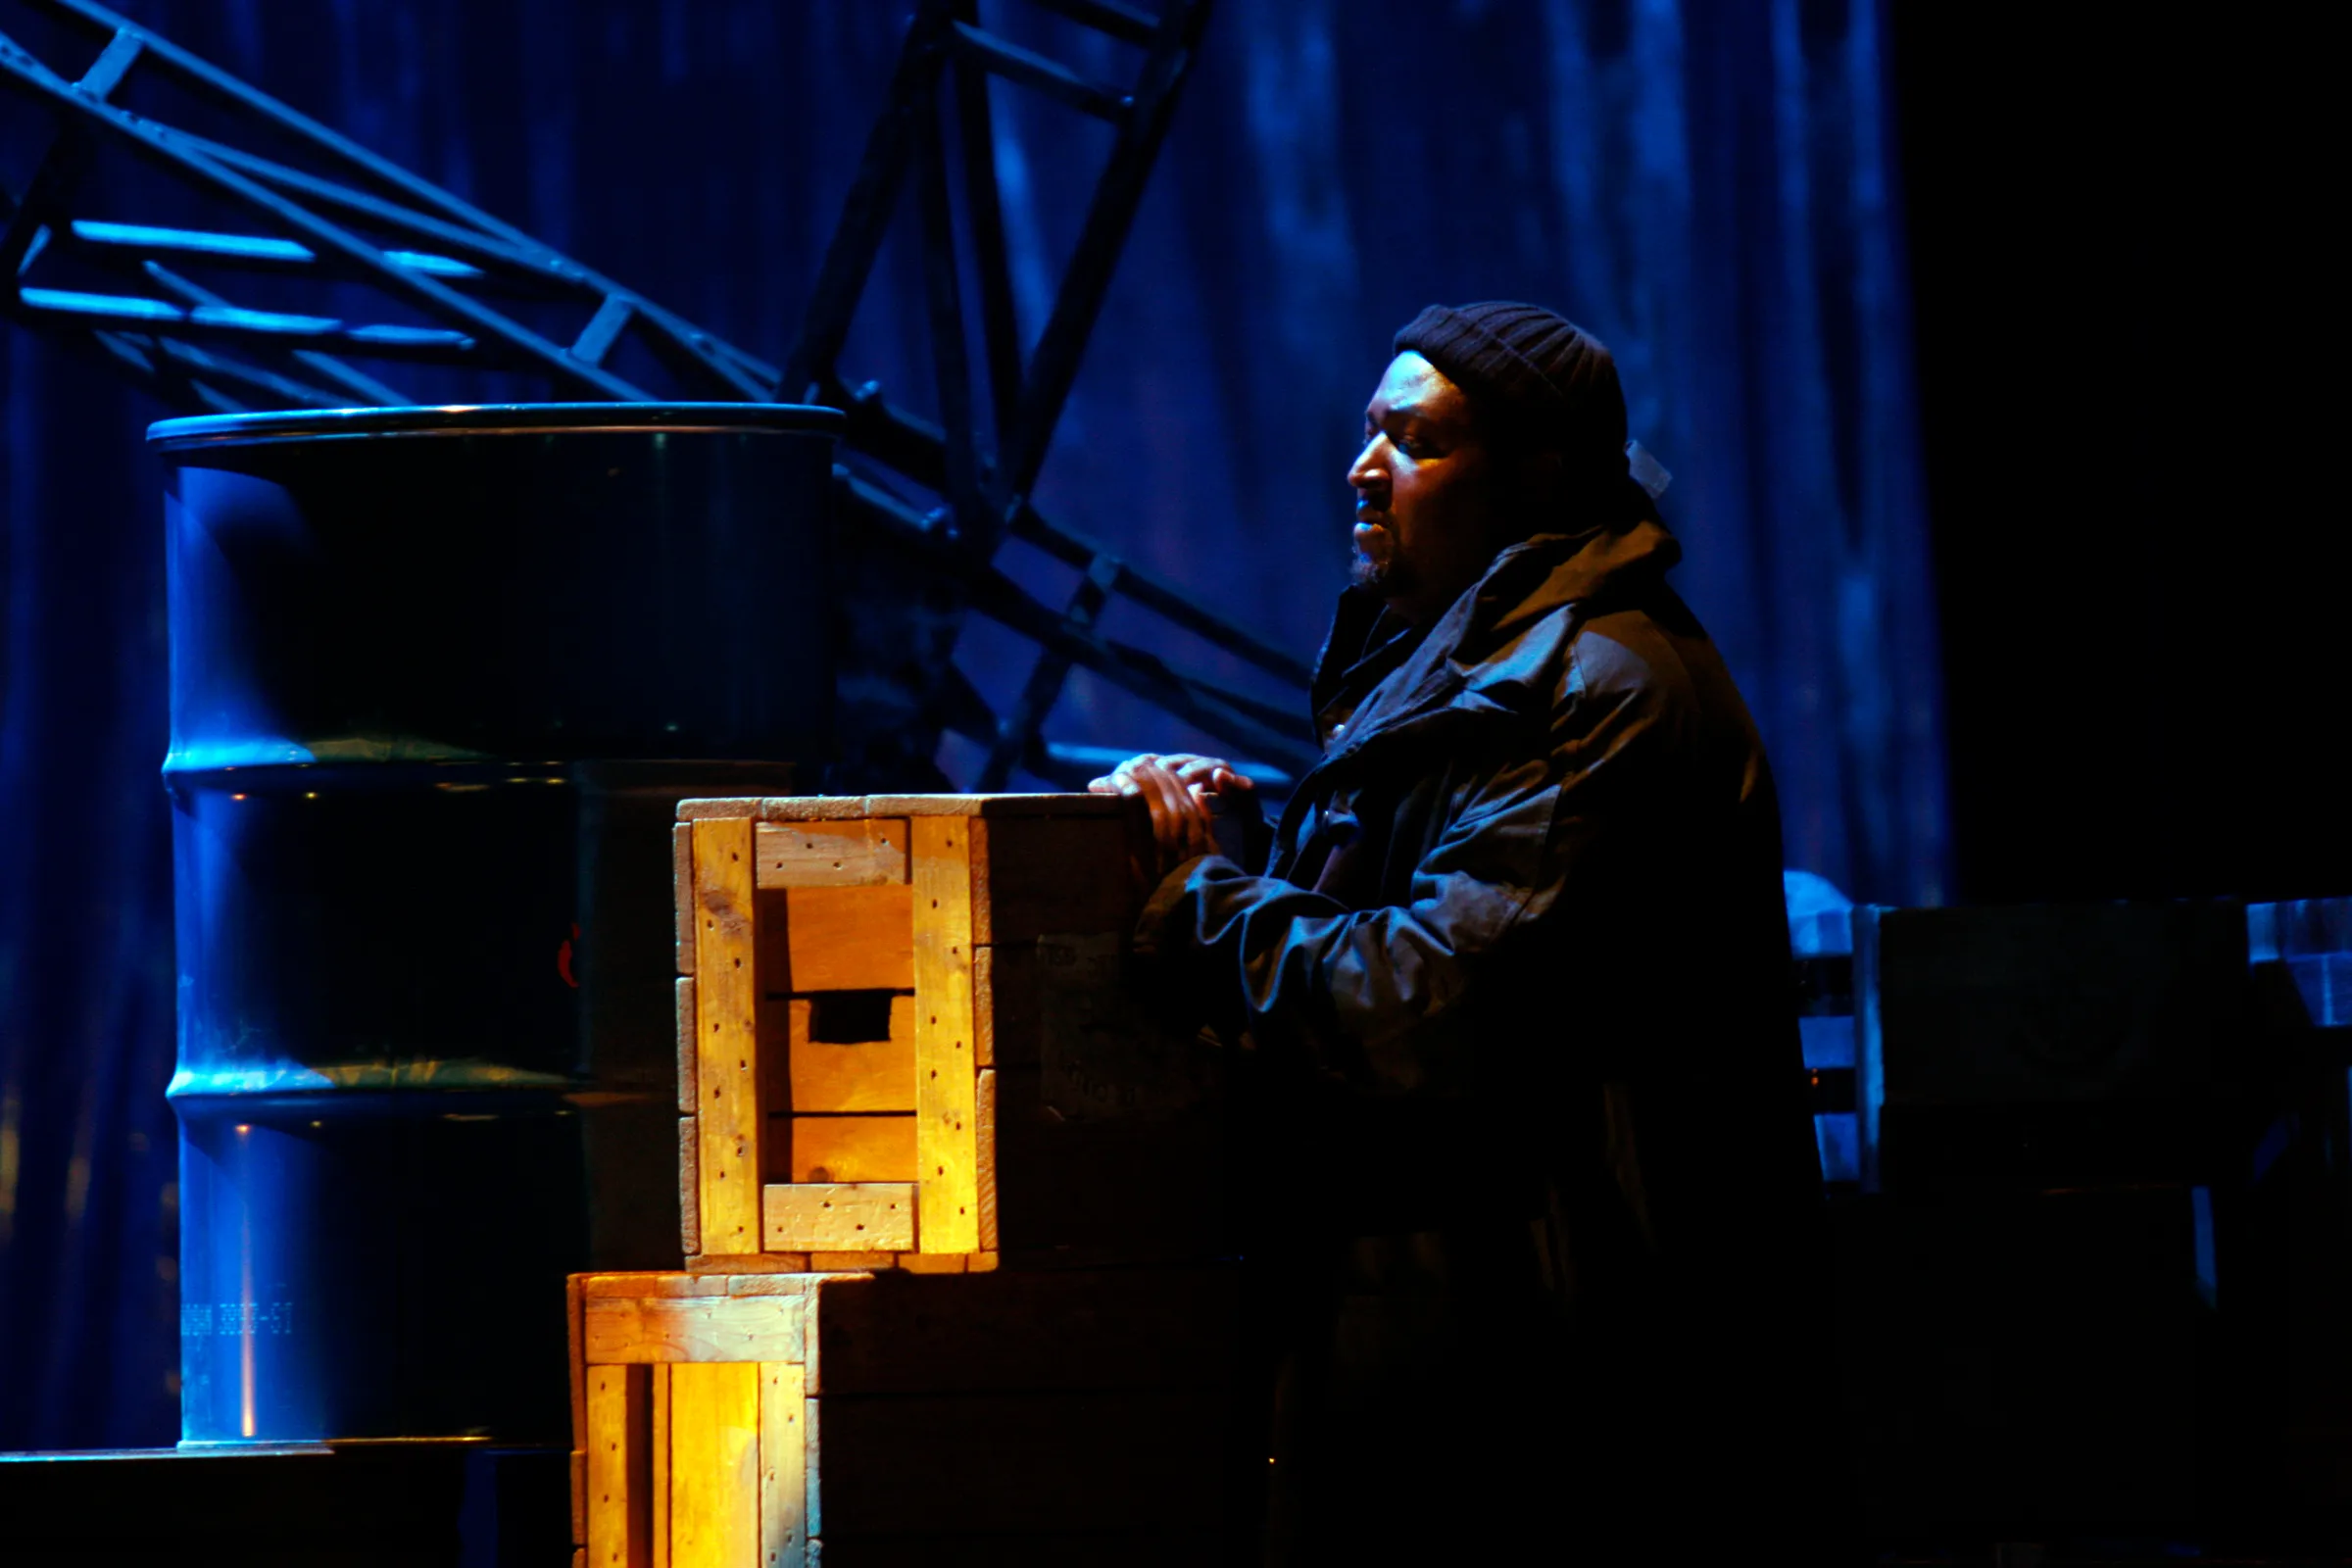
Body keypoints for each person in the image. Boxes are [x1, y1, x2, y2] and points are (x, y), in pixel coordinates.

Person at [1093, 303, 1828, 1563]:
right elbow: (1433, 933)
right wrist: (1266, 858)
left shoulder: (1600, 689)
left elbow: (1425, 1009)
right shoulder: (1477, 669)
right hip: (1472, 1334)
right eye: (1370, 431)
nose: (1363, 469)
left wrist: (1199, 896)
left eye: (1416, 441)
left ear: (1537, 474)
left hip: (1552, 1356)